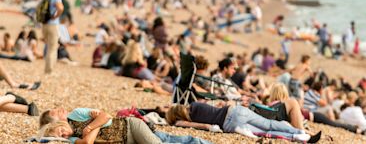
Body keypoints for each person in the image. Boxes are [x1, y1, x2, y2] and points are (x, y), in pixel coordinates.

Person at [165, 102, 321, 142]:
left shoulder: (180, 122)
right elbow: (214, 106)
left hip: (229, 123)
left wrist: (212, 128)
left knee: (265, 133)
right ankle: (300, 131)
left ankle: (298, 138)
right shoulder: (194, 104)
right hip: (234, 110)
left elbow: (203, 126)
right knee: (268, 123)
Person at [39, 107, 209, 144]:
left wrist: (90, 127)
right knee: (167, 140)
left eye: (61, 131)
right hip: (127, 140)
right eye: (60, 136)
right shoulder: (71, 138)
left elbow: (106, 115)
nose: (63, 134)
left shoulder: (75, 114)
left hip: (130, 126)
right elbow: (88, 142)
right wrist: (94, 125)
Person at [42, 0, 64, 74]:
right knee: (53, 48)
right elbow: (61, 8)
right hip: (53, 24)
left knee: (48, 47)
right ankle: (49, 71)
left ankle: (47, 69)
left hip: (45, 24)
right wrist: (56, 16)